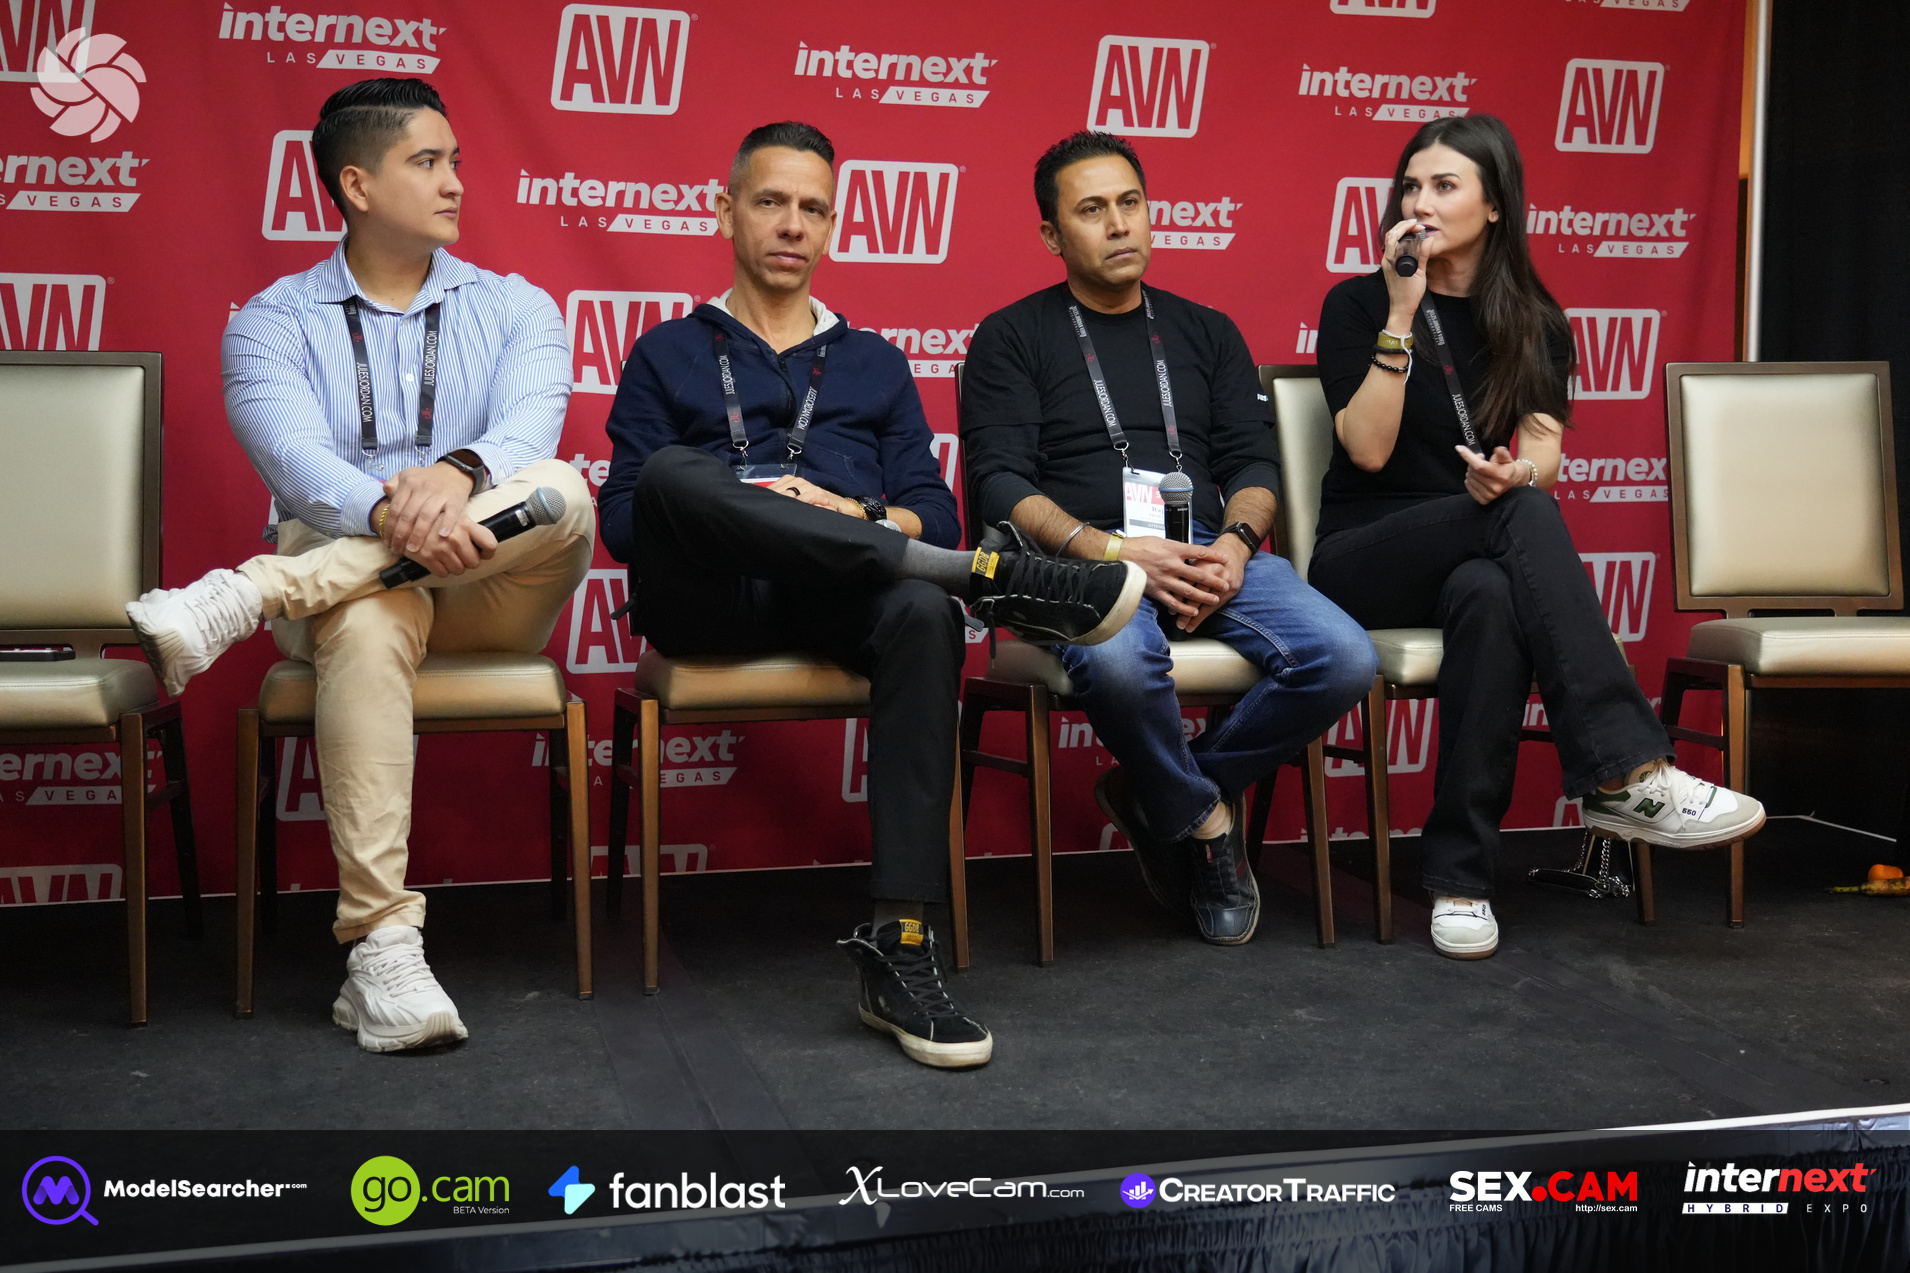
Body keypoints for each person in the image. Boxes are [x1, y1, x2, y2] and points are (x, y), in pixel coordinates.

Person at [596, 122, 1143, 1070]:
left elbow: (934, 506)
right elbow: (623, 522)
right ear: (726, 212)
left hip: (837, 596)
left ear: (833, 225)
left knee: (922, 612)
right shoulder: (666, 351)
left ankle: (901, 945)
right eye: (771, 202)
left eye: (813, 208)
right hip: (708, 600)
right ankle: (984, 577)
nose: (792, 224)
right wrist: (757, 506)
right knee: (676, 473)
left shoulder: (875, 363)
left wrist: (848, 512)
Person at [125, 78, 595, 1050]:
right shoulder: (269, 322)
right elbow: (297, 464)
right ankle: (381, 947)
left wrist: (454, 476)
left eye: (455, 160)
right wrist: (391, 511)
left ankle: (249, 594)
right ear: (357, 184)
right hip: (354, 602)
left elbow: (527, 429)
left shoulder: (518, 307)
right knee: (374, 612)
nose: (455, 182)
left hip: (489, 588)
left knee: (562, 489)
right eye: (428, 162)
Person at [1309, 114, 1764, 960]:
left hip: (1476, 548)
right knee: (1521, 519)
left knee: (1492, 593)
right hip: (1363, 556)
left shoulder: (1535, 321)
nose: (1420, 203)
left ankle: (1460, 880)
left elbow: (1543, 456)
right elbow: (1366, 449)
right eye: (1411, 186)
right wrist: (1402, 312)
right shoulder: (1359, 302)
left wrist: (1513, 472)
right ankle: (1628, 771)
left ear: (1494, 206)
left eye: (1444, 186)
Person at [961, 131, 1379, 947]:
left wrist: (1237, 543)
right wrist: (1114, 553)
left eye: (1130, 203)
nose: (1119, 224)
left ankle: (1158, 795)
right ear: (1052, 235)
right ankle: (1207, 824)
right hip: (1080, 564)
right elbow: (999, 484)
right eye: (1092, 210)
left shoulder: (1208, 331)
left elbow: (1253, 462)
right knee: (1119, 661)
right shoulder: (1010, 336)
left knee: (1344, 656)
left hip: (1208, 549)